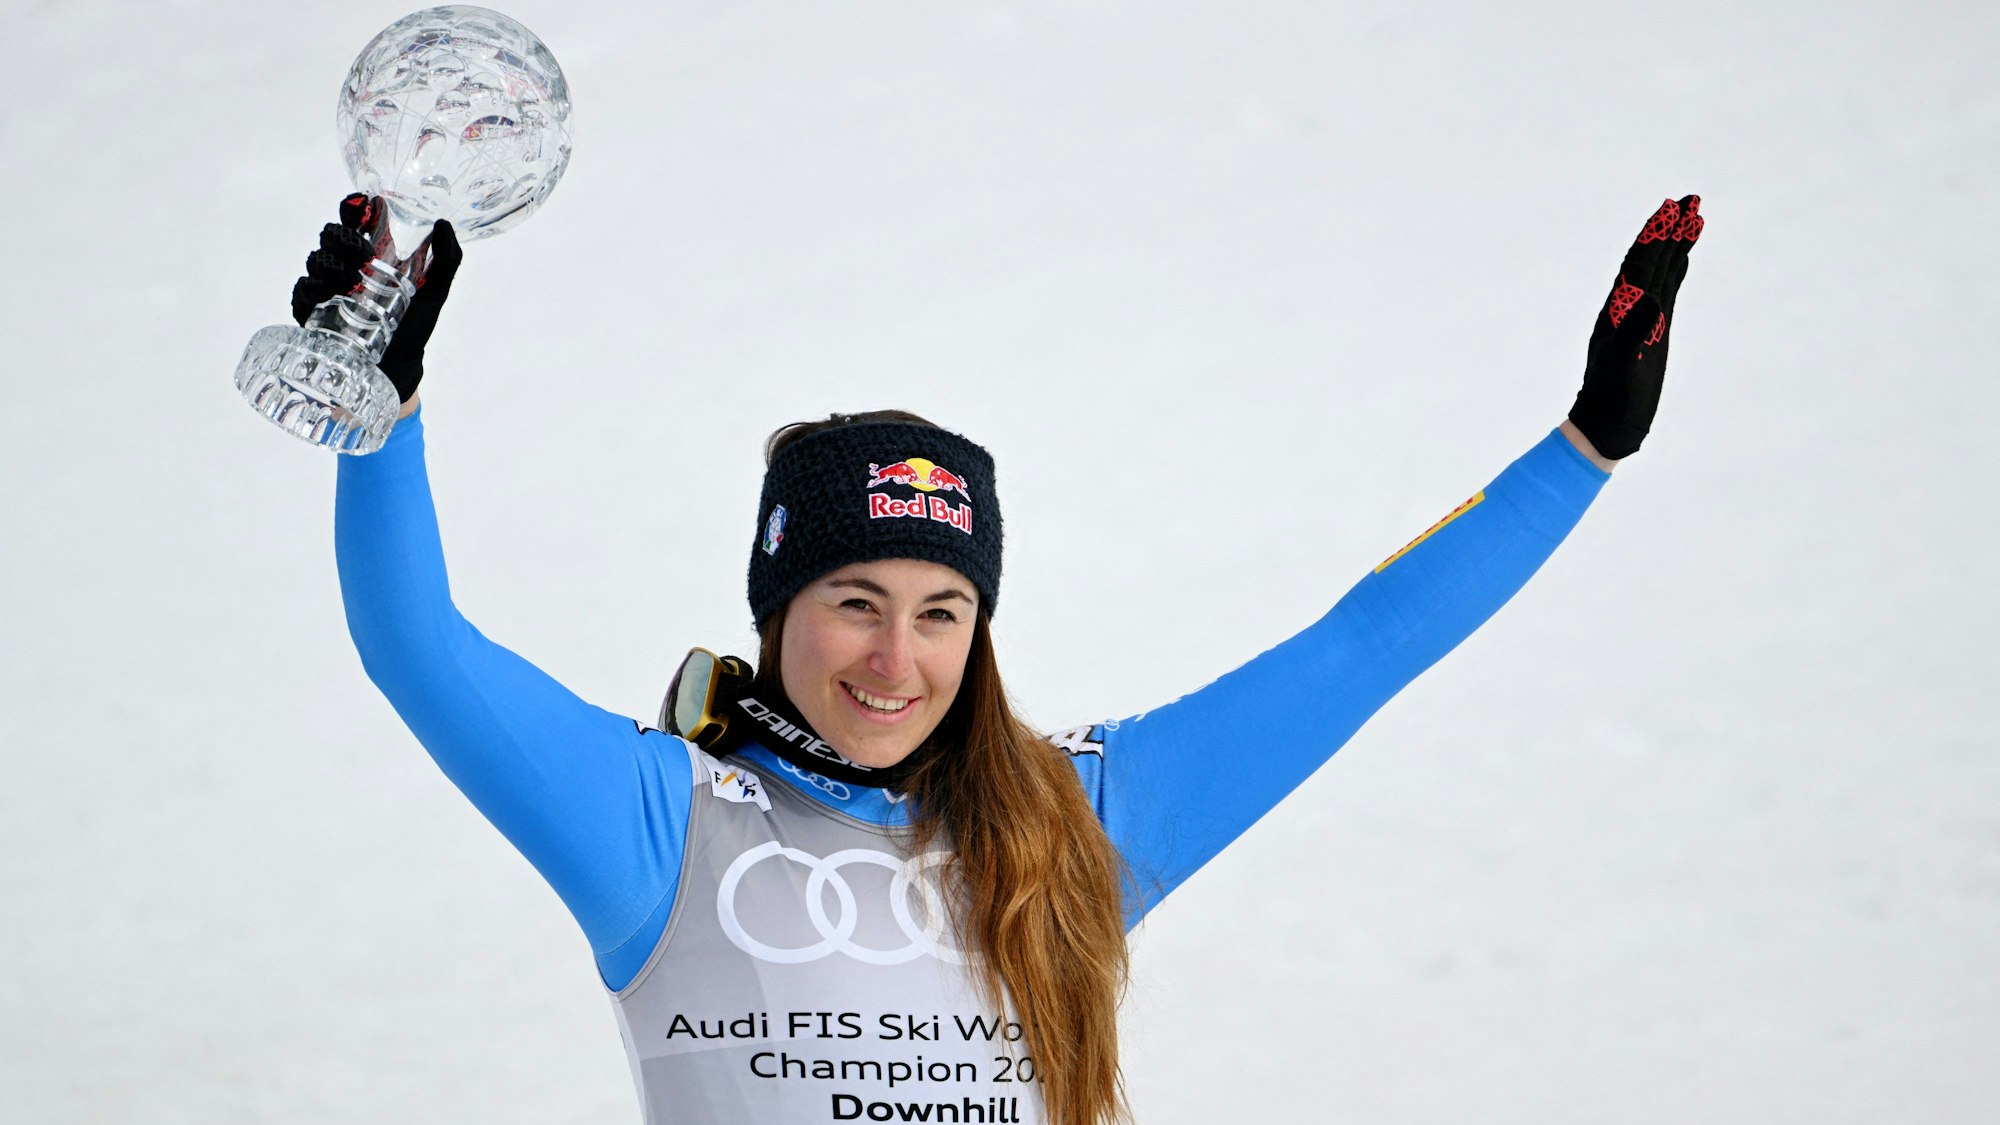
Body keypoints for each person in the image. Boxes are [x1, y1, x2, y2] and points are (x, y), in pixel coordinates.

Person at [297, 191, 1703, 1124]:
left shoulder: (1080, 818)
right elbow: (416, 645)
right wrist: (386, 418)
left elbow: (1363, 646)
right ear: (776, 606)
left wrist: (1584, 451)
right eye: (853, 597)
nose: (895, 657)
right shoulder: (661, 821)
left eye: (940, 611)